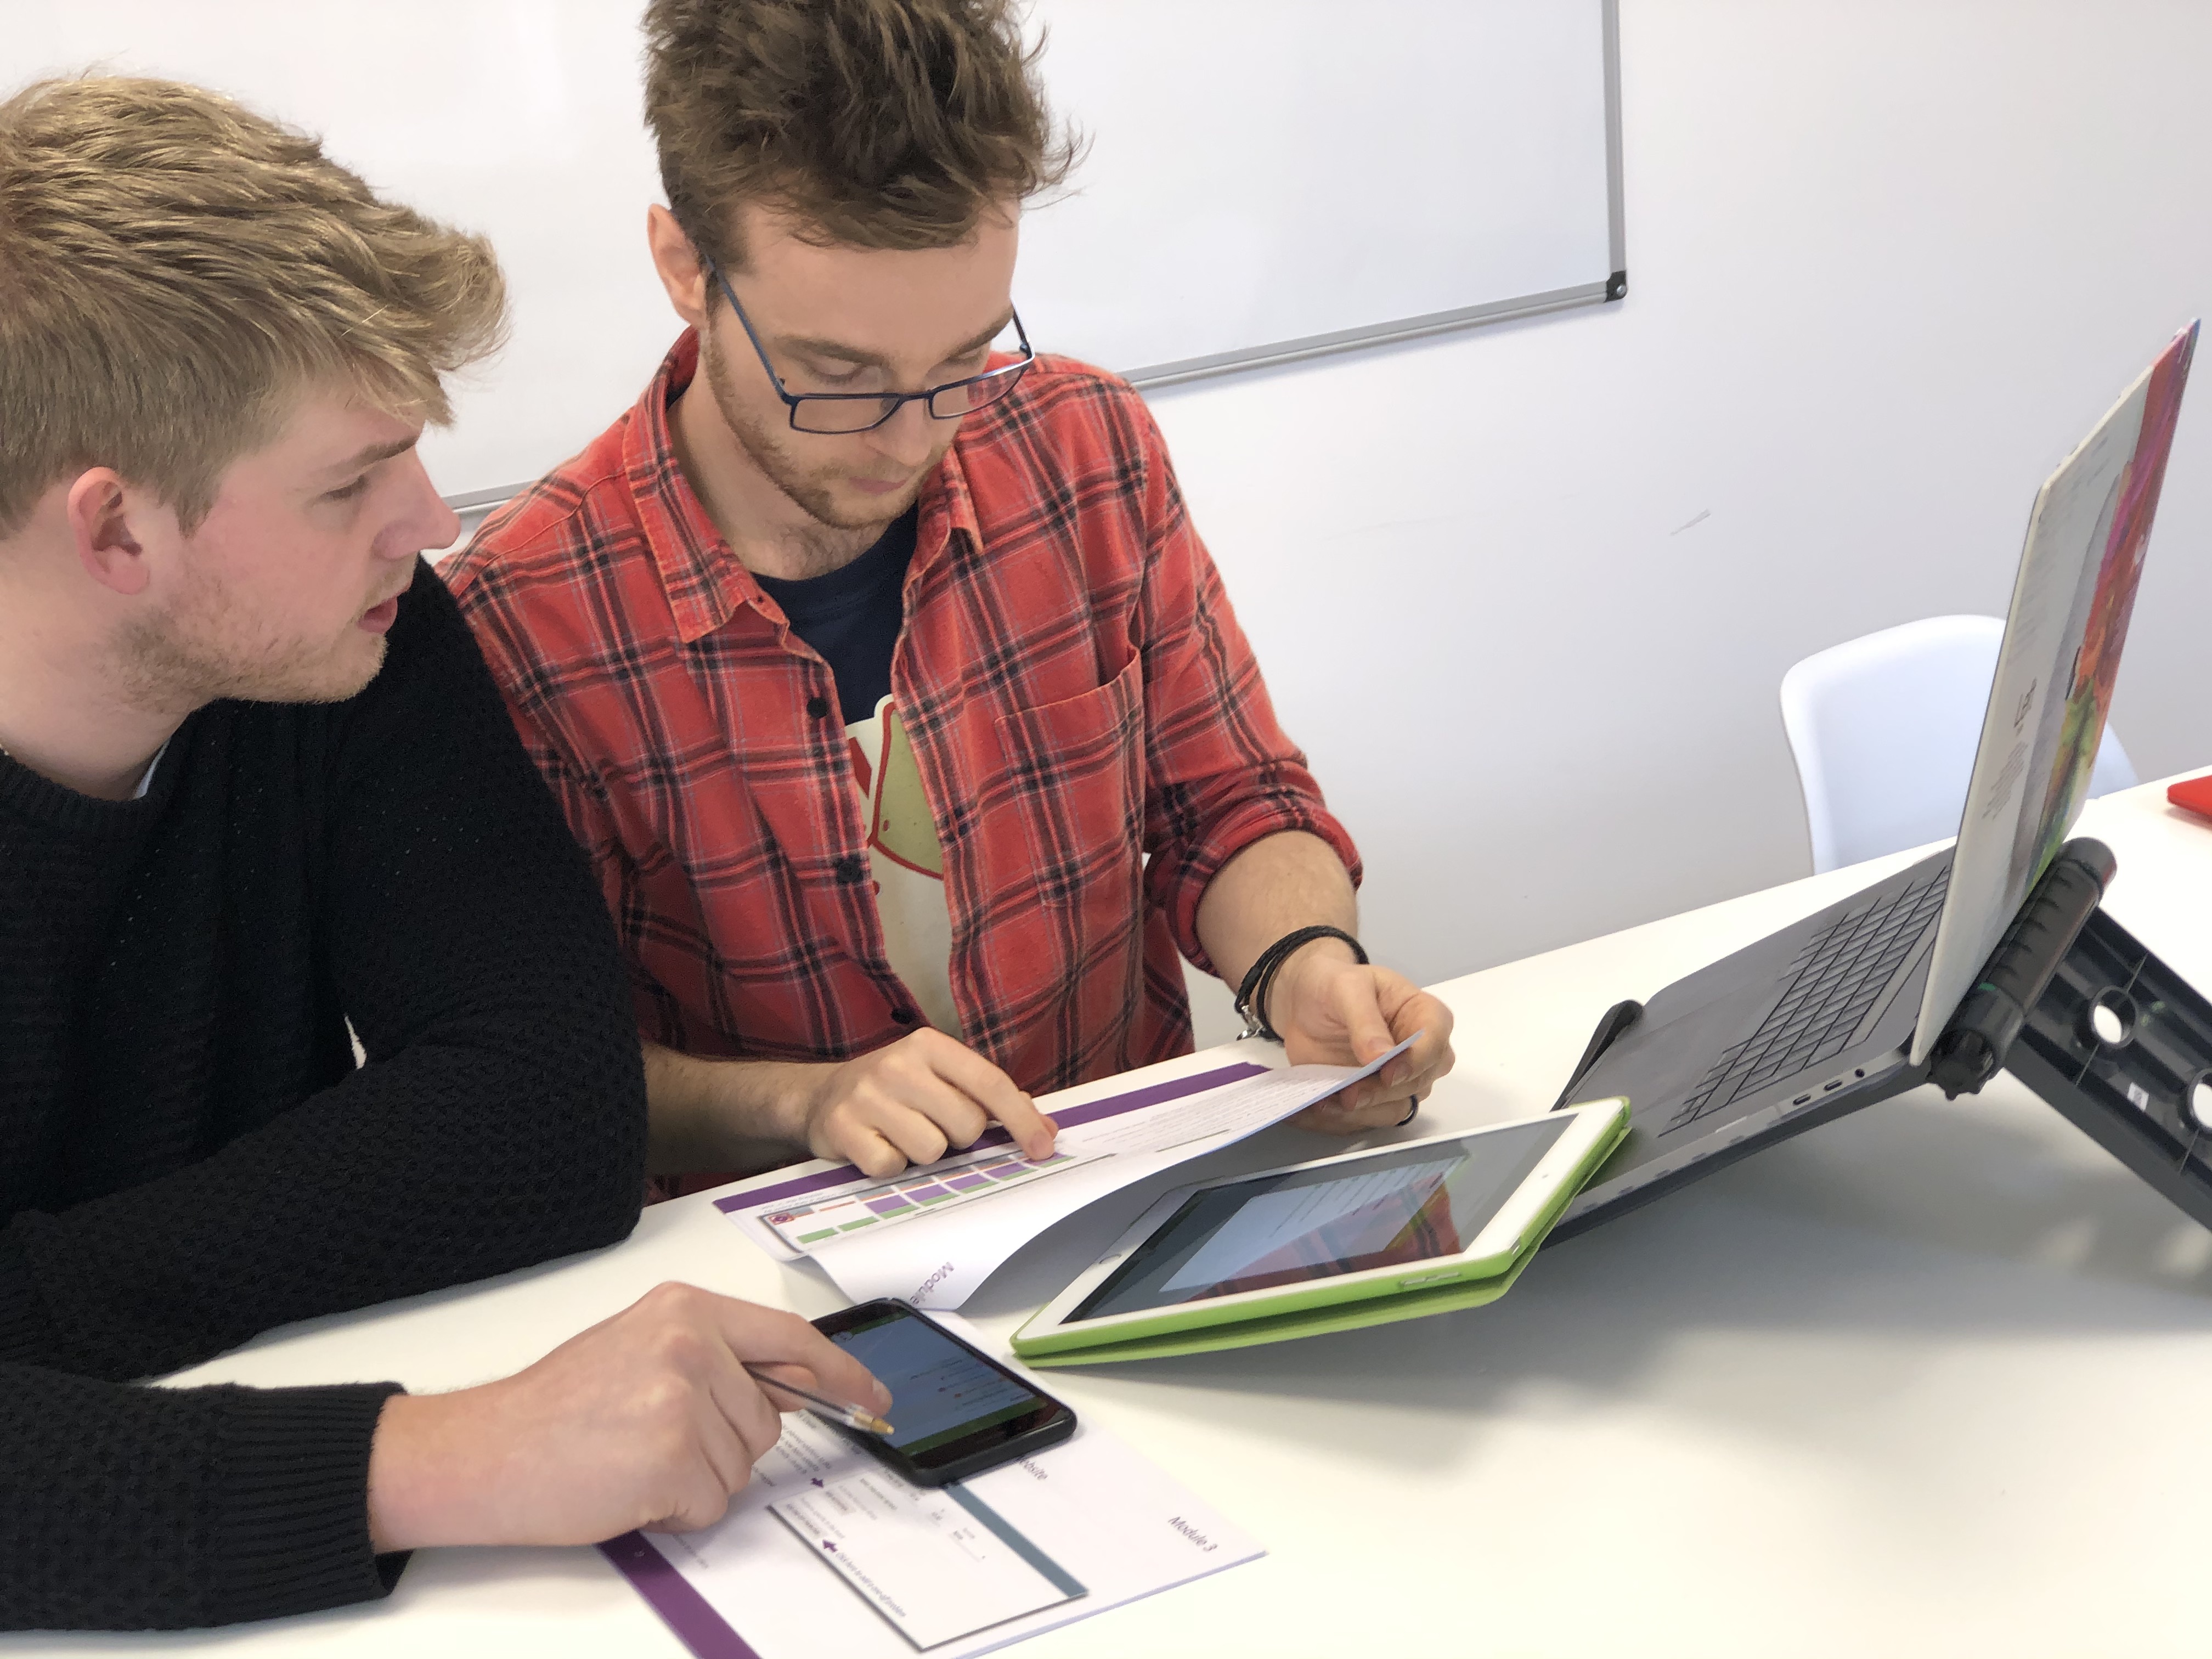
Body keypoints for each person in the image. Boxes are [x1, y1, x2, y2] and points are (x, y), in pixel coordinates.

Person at [0, 77, 887, 1633]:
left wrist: (28, 1315)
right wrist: (442, 1457)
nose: (427, 516)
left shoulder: (350, 639)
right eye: (353, 482)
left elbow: (550, 1112)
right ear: (116, 533)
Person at [447, 0, 1458, 1196]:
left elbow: (1229, 803)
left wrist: (1303, 966)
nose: (913, 436)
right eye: (838, 376)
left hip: (1123, 1196)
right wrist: (805, 1101)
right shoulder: (521, 619)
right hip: (792, 1294)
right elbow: (542, 1078)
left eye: (964, 361)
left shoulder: (1083, 445)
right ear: (685, 267)